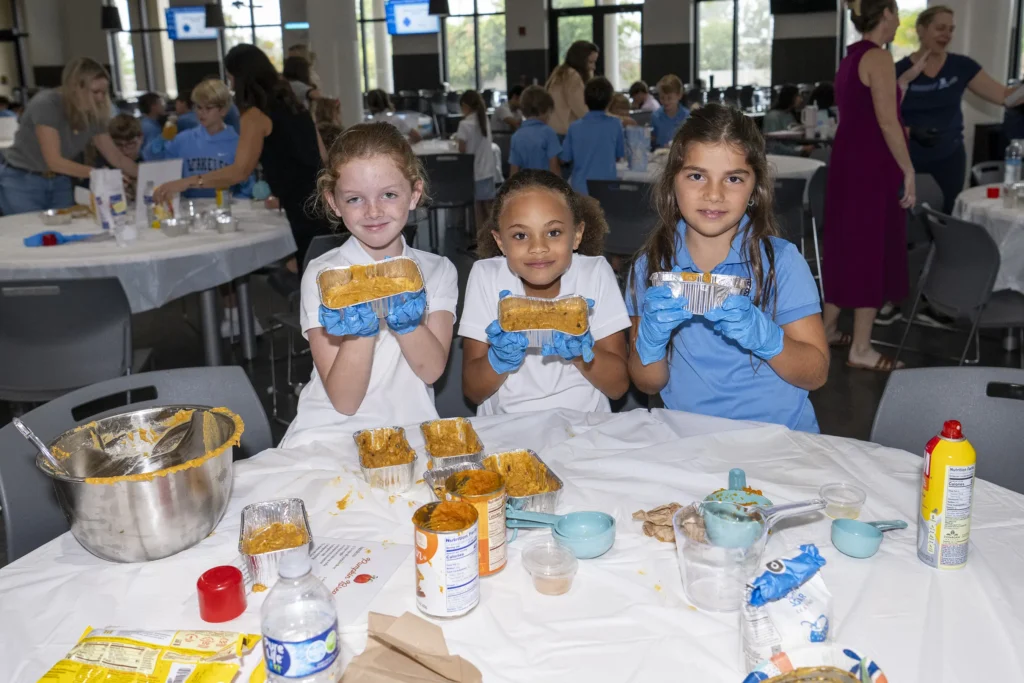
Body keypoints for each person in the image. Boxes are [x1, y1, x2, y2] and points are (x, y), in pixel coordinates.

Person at [627, 104, 828, 432]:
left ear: (754, 189)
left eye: (733, 178)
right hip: (690, 437)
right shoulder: (650, 267)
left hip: (780, 438)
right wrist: (650, 342)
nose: (713, 194)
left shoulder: (781, 262)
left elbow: (816, 374)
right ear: (672, 183)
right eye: (696, 175)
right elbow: (648, 383)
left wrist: (766, 338)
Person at [279, 122, 458, 448]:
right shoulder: (324, 275)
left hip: (412, 429)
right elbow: (345, 402)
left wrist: (407, 324)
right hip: (331, 433)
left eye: (389, 195)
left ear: (414, 194)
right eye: (355, 199)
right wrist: (359, 333)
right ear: (334, 203)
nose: (373, 211)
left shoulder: (438, 271)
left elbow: (431, 371)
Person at [154, 44, 329, 282]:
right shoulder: (295, 106)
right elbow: (321, 156)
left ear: (240, 77)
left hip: (301, 211)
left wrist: (185, 183)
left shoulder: (256, 114)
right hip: (321, 204)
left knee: (305, 284)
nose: (231, 85)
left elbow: (239, 172)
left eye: (230, 78)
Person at [460, 170, 630, 414]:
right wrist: (498, 360)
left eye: (553, 233)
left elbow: (618, 386)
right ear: (500, 242)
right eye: (520, 235)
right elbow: (473, 391)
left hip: (584, 427)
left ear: (577, 235)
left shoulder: (595, 273)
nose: (538, 248)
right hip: (507, 430)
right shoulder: (486, 276)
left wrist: (582, 355)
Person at [822, 0, 918, 372]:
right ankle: (861, 347)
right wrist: (908, 169)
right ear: (887, 15)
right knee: (868, 252)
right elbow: (888, 122)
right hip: (870, 171)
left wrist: (904, 82)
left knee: (846, 248)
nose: (898, 22)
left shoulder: (851, 58)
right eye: (896, 14)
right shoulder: (878, 58)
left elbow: (865, 109)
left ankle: (829, 327)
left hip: (849, 166)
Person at [896, 5, 1014, 213]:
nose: (946, 35)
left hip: (949, 159)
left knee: (946, 219)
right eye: (940, 28)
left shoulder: (961, 66)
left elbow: (1004, 96)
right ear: (921, 29)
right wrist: (911, 132)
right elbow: (880, 118)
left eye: (951, 29)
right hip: (908, 160)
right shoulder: (898, 71)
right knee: (907, 222)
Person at [0, 58, 138, 214]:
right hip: (23, 180)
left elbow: (116, 157)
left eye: (104, 92)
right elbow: (54, 161)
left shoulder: (93, 112)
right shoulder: (47, 104)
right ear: (76, 88)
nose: (100, 98)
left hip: (60, 180)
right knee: (27, 232)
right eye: (95, 92)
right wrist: (102, 175)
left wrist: (147, 176)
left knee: (67, 232)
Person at [143, 79, 254, 200]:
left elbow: (247, 186)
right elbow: (151, 158)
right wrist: (162, 139)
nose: (202, 113)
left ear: (223, 110)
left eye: (208, 108)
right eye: (199, 107)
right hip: (190, 209)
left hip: (225, 208)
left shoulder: (238, 143)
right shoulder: (184, 139)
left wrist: (237, 204)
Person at [560, 77, 624, 196]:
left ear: (584, 100)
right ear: (610, 101)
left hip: (580, 189)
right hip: (607, 188)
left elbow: (565, 158)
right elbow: (619, 156)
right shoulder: (616, 124)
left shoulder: (574, 127)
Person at [457, 89, 498, 234]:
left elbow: (462, 150)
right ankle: (494, 237)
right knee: (489, 207)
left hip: (474, 170)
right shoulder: (483, 119)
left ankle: (482, 239)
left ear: (465, 106)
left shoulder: (464, 124)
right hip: (487, 169)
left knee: (479, 208)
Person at [546, 40, 599, 137]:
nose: (593, 67)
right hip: (565, 133)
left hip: (553, 130)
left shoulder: (560, 71)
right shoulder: (572, 75)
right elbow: (581, 109)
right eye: (590, 62)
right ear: (580, 60)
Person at [508, 85, 561, 176]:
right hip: (546, 186)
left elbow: (514, 171)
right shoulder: (549, 133)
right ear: (544, 110)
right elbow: (554, 167)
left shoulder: (516, 136)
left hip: (527, 187)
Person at [763, 85, 813, 157]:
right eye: (798, 96)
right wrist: (799, 149)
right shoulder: (773, 116)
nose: (801, 99)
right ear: (790, 97)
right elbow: (772, 145)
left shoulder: (789, 114)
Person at [105, 114, 143, 203]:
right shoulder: (103, 167)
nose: (125, 150)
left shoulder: (149, 164)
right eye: (118, 145)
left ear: (141, 138)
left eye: (130, 144)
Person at [651, 74, 689, 148]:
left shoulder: (687, 117)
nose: (665, 101)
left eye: (669, 98)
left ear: (679, 95)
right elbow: (653, 140)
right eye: (662, 98)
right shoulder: (655, 116)